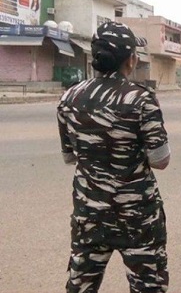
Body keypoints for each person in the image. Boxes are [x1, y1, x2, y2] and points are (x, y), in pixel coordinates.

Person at [57, 21, 170, 293]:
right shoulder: (141, 99)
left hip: (89, 212)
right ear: (130, 60)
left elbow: (69, 156)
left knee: (81, 285)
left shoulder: (69, 98)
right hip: (138, 216)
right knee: (148, 286)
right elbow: (160, 160)